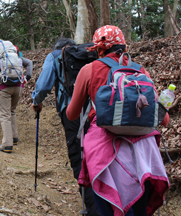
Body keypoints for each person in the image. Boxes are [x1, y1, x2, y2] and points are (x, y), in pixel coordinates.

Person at [66, 26, 170, 216]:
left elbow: (72, 114)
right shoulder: (140, 71)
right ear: (124, 47)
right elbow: (164, 120)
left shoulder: (89, 70)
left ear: (98, 49)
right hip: (145, 154)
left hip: (106, 150)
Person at [31, 38, 99, 215]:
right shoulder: (91, 55)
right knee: (99, 153)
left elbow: (43, 85)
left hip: (72, 111)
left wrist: (36, 101)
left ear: (58, 49)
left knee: (78, 154)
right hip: (99, 110)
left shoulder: (54, 56)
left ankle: (92, 206)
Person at [0, 39, 33, 153]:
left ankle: (7, 144)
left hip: (3, 87)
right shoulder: (13, 54)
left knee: (4, 115)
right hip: (18, 87)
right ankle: (14, 137)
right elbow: (29, 63)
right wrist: (27, 77)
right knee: (12, 111)